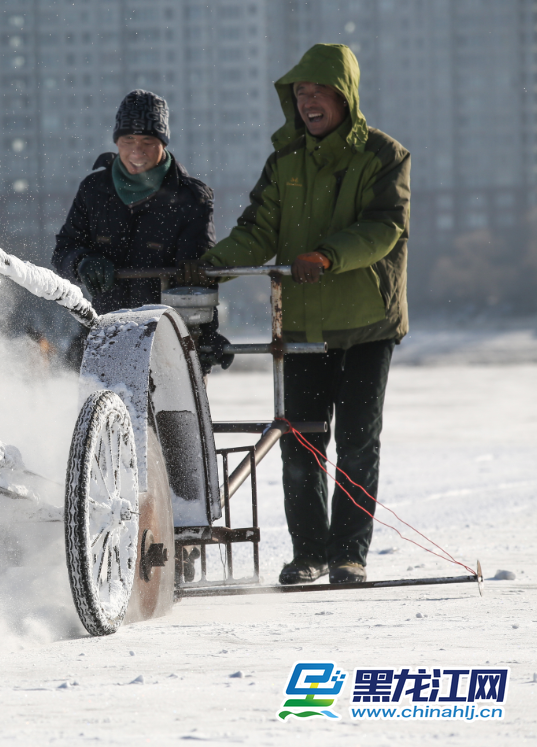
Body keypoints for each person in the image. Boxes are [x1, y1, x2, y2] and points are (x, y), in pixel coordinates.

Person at [201, 44, 411, 585]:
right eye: (299, 93)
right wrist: (209, 267)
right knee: (301, 441)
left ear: (344, 95)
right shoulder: (284, 161)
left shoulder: (385, 157)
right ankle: (309, 554)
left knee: (358, 442)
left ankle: (350, 555)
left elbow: (385, 229)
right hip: (301, 329)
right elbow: (257, 232)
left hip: (367, 325)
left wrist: (327, 255)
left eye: (317, 91)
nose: (307, 101)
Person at [52, 89, 232, 372]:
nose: (137, 151)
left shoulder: (190, 198)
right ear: (117, 142)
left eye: (148, 141)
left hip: (169, 341)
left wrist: (207, 335)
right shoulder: (94, 190)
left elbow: (199, 275)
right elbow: (63, 251)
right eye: (128, 140)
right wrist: (82, 262)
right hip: (105, 335)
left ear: (163, 143)